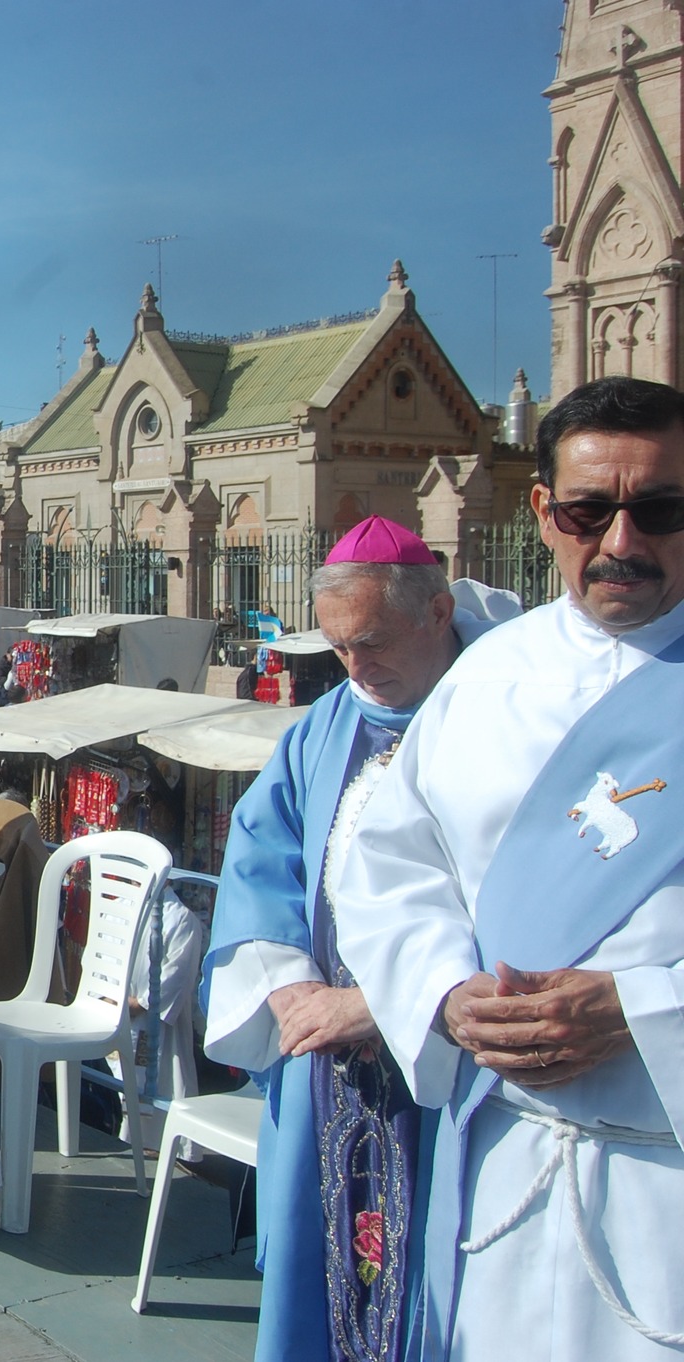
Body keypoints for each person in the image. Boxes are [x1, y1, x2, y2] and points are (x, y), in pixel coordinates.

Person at [332, 376, 684, 1361]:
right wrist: (442, 996)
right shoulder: (485, 677)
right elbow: (390, 874)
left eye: (657, 510)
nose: (620, 542)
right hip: (502, 1163)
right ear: (541, 513)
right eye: (586, 511)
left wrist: (641, 1012)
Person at [204, 516, 515, 1360]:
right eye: (338, 648)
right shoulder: (326, 724)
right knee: (326, 1264)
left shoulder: (510, 709)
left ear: (440, 609)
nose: (355, 668)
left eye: (371, 642)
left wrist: (384, 1002)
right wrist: (288, 984)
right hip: (331, 1058)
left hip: (457, 1065)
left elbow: (529, 897)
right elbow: (258, 855)